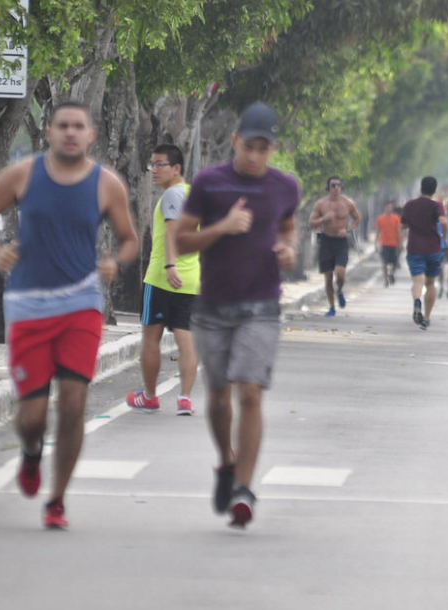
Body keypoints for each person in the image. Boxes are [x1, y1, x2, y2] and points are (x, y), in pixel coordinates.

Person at [0, 101, 138, 528]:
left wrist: (115, 265)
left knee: (73, 402)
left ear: (91, 135)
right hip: (27, 304)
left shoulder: (107, 184)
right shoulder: (23, 174)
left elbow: (129, 240)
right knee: (30, 417)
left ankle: (57, 500)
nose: (70, 132)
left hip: (80, 304)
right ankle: (31, 453)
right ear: (48, 132)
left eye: (78, 126)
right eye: (62, 125)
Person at [175, 102, 299, 528]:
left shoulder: (285, 186)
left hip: (261, 307)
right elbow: (182, 239)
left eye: (264, 148)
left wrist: (287, 248)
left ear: (273, 149)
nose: (255, 155)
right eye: (249, 146)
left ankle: (245, 489)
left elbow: (286, 226)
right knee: (217, 397)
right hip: (212, 307)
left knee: (250, 392)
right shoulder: (210, 183)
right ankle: (226, 463)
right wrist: (222, 228)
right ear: (235, 141)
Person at [126, 144, 199, 414]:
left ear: (176, 168)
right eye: (151, 165)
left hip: (161, 278)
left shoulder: (172, 195)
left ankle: (150, 396)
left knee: (151, 338)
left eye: (159, 165)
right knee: (186, 340)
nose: (153, 170)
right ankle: (185, 399)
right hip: (191, 281)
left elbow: (171, 232)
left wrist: (170, 265)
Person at [308, 176, 361, 316]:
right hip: (326, 241)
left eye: (338, 185)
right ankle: (332, 307)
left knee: (341, 274)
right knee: (328, 277)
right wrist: (323, 219)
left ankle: (340, 290)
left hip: (341, 242)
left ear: (341, 187)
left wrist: (348, 230)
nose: (336, 188)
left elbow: (357, 218)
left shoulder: (348, 203)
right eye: (333, 185)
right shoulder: (321, 204)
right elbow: (311, 223)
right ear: (328, 187)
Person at [401, 177, 447, 330]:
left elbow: (402, 225)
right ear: (434, 190)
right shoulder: (436, 206)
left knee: (418, 281)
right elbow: (444, 222)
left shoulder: (409, 205)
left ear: (421, 188)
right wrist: (444, 237)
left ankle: (416, 301)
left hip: (414, 248)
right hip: (433, 248)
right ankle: (426, 318)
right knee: (431, 283)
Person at [375, 200, 402, 287]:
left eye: (390, 207)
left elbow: (399, 231)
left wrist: (400, 243)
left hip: (394, 243)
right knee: (385, 262)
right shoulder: (380, 218)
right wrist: (376, 243)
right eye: (387, 207)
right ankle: (386, 279)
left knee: (394, 263)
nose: (389, 209)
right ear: (385, 208)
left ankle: (391, 274)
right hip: (384, 243)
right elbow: (378, 231)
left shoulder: (396, 218)